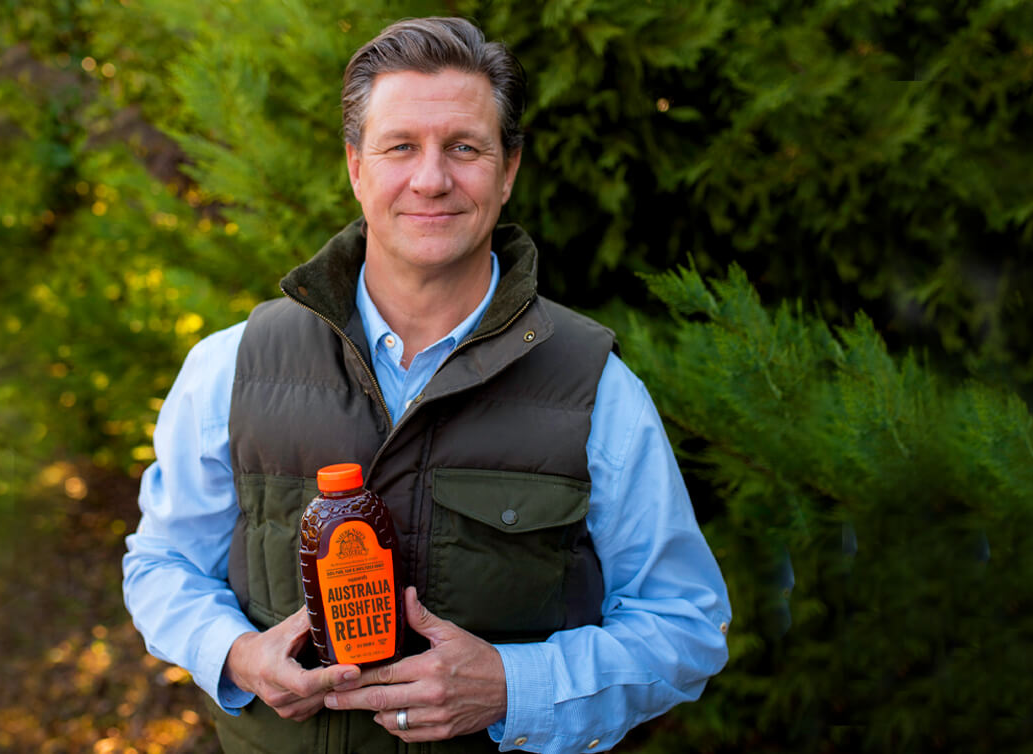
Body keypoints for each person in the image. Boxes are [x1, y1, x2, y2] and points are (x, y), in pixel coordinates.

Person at [122, 16, 731, 754]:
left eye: (465, 148)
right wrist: (236, 655)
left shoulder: (596, 388)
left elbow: (685, 625)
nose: (432, 178)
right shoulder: (231, 367)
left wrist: (514, 684)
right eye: (400, 146)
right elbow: (162, 566)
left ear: (507, 171)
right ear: (356, 166)